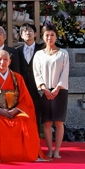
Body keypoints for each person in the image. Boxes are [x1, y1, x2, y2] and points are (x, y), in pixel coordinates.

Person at [0, 49, 41, 162]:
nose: (2, 62)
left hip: (15, 111)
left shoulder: (18, 77)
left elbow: (25, 99)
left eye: (5, 59)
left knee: (27, 122)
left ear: (10, 61)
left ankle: (27, 155)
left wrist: (16, 110)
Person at [33, 25, 70, 159]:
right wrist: (44, 88)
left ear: (56, 36)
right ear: (43, 37)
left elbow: (65, 73)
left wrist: (57, 88)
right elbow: (36, 73)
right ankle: (49, 150)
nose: (49, 38)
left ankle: (57, 151)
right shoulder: (38, 54)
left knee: (59, 122)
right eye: (47, 35)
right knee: (47, 122)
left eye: (52, 35)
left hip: (60, 91)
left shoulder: (63, 53)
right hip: (44, 91)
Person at [16, 23, 43, 127]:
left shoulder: (42, 49)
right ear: (21, 35)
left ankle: (36, 135)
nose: (28, 33)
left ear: (35, 34)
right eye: (25, 31)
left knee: (37, 114)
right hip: (23, 87)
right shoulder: (17, 51)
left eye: (31, 31)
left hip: (37, 87)